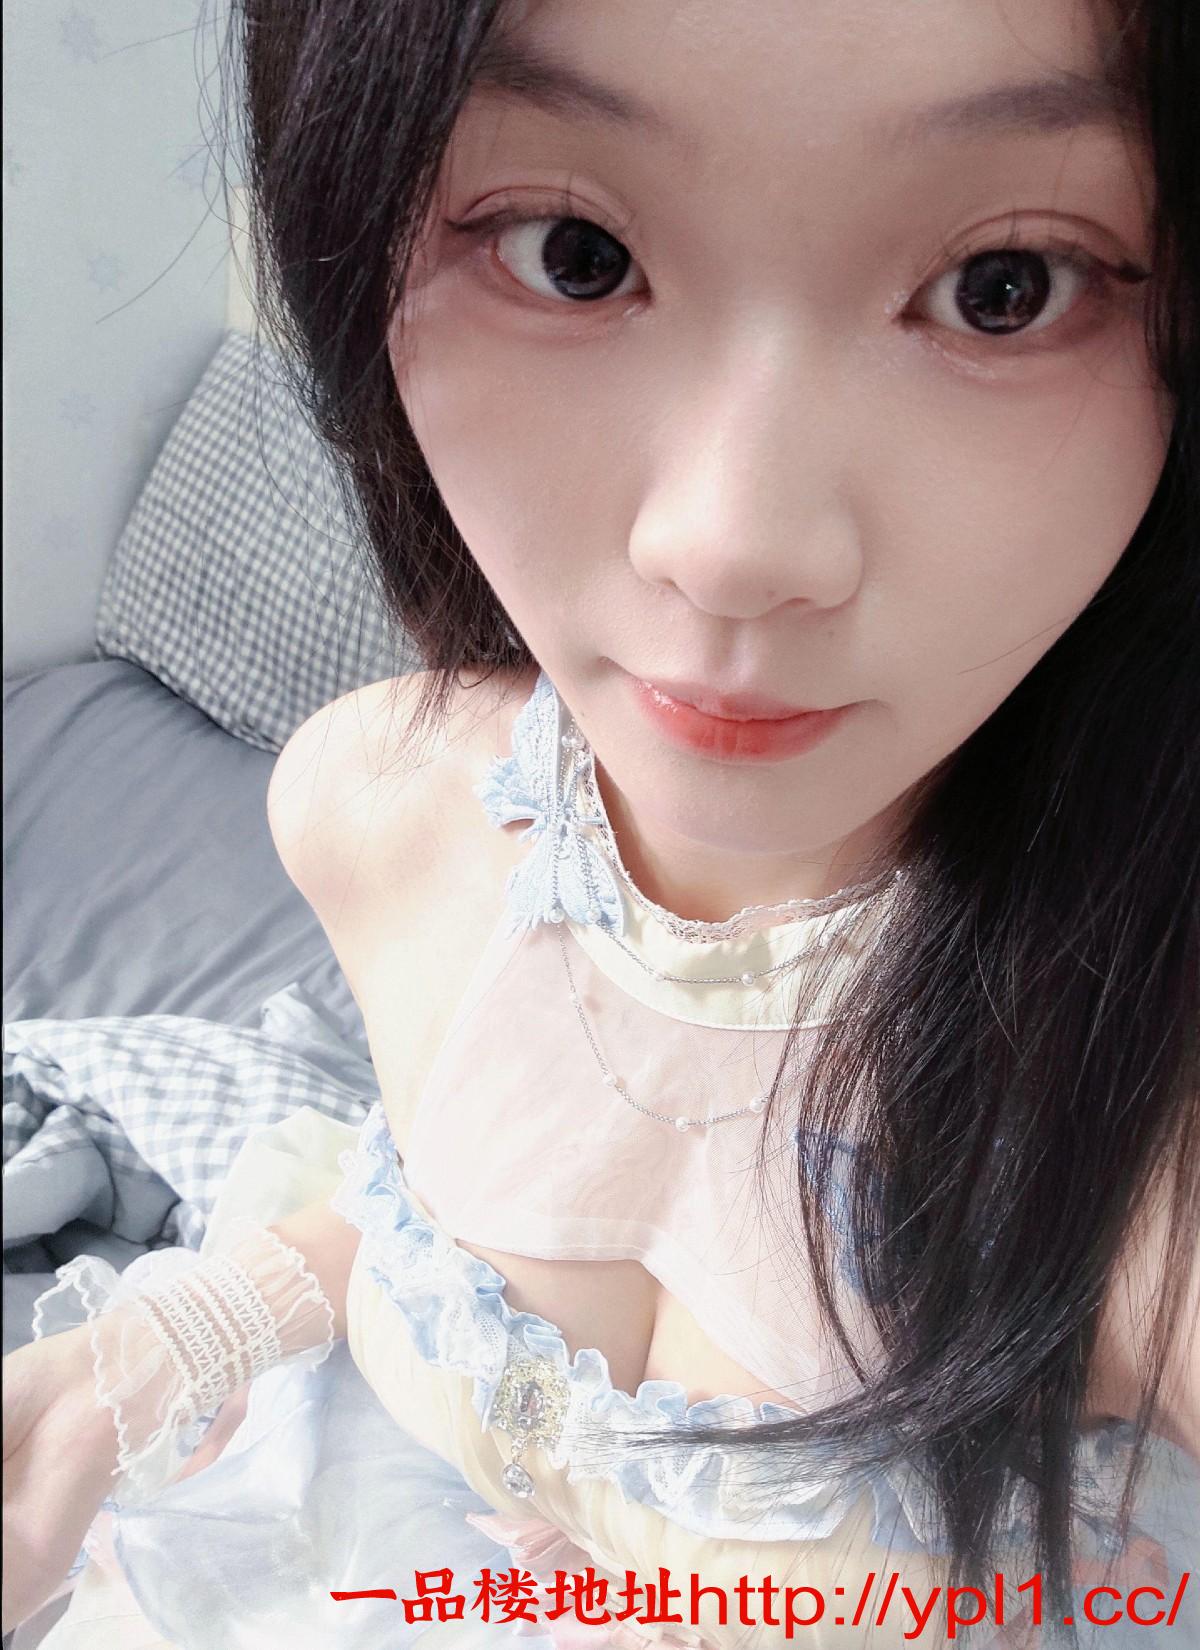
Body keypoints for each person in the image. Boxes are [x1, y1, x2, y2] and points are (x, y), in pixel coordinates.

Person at [3, 0, 1198, 1644]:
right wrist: (172, 1336)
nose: (731, 543)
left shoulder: (1143, 1114)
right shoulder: (382, 814)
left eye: (1006, 286)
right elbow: (464, 1191)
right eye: (574, 255)